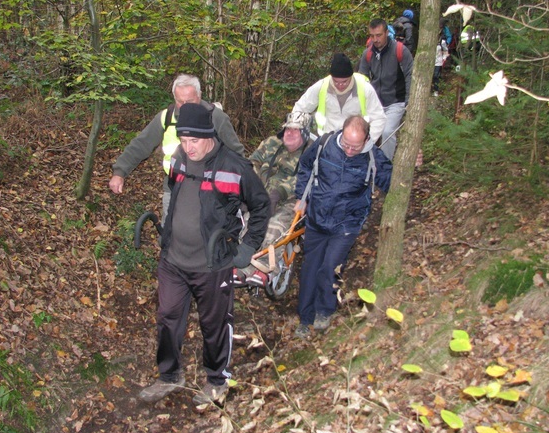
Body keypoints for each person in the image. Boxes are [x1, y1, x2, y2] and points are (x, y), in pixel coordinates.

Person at [138, 103, 270, 405]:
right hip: (173, 260)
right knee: (168, 317)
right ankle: (169, 376)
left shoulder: (234, 166)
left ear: (209, 136)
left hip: (211, 264)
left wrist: (248, 246)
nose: (188, 147)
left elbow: (261, 205)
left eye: (194, 141)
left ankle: (216, 380)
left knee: (214, 324)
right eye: (183, 140)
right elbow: (174, 195)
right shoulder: (179, 159)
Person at [293, 116, 393, 339]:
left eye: (355, 147)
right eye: (347, 145)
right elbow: (305, 166)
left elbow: (393, 180)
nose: (349, 151)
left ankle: (325, 310)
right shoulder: (324, 145)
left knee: (331, 267)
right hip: (317, 219)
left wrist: (411, 164)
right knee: (310, 268)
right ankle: (305, 318)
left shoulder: (373, 158)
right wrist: (302, 196)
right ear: (341, 134)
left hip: (346, 224)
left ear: (367, 139)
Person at [109, 74, 245, 221]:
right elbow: (141, 145)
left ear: (199, 96)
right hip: (175, 187)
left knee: (208, 235)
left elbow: (236, 153)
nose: (185, 105)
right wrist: (119, 172)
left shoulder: (216, 118)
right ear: (174, 98)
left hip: (211, 190)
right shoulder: (166, 117)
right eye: (180, 101)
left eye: (190, 101)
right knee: (171, 233)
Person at [238, 112, 314, 288]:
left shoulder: (312, 151)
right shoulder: (271, 143)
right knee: (246, 222)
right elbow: (252, 164)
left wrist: (279, 192)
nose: (290, 133)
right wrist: (249, 189)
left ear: (304, 133)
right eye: (288, 129)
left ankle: (266, 268)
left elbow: (309, 178)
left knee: (274, 225)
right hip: (261, 193)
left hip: (291, 200)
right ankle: (244, 263)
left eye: (296, 130)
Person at [292, 52, 386, 143]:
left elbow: (378, 118)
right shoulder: (321, 87)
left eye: (345, 82)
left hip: (354, 143)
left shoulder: (365, 89)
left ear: (351, 77)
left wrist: (367, 141)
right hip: (327, 140)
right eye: (336, 81)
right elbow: (300, 109)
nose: (340, 85)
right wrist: (296, 130)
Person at [358, 18, 414, 161]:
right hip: (375, 103)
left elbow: (410, 75)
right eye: (372, 36)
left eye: (379, 35)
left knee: (387, 132)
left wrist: (409, 100)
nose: (375, 39)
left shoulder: (400, 50)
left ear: (386, 33)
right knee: (361, 132)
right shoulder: (368, 54)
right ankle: (363, 167)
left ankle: (385, 168)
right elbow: (362, 80)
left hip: (397, 101)